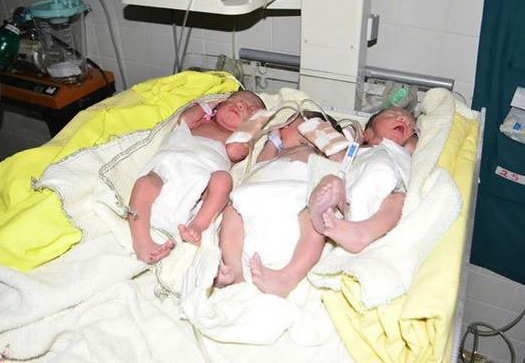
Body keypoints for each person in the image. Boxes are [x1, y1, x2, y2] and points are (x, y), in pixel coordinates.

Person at [249, 106, 417, 296]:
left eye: (410, 123)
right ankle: (320, 216)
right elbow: (335, 157)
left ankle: (362, 232)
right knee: (330, 182)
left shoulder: (403, 149)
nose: (403, 119)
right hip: (349, 198)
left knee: (399, 200)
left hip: (386, 195)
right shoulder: (354, 150)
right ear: (367, 133)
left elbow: (417, 142)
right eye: (393, 115)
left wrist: (414, 133)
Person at [128, 90, 266, 264]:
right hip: (168, 167)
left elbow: (234, 151)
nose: (240, 105)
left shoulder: (235, 141)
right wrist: (212, 103)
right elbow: (184, 118)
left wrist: (251, 126)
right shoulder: (200, 122)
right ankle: (141, 241)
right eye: (235, 100)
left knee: (223, 180)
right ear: (218, 106)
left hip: (202, 180)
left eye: (249, 109)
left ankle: (198, 225)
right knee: (144, 183)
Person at [214, 111, 339, 290]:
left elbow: (340, 161)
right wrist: (272, 142)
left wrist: (325, 140)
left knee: (314, 219)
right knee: (233, 211)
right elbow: (260, 165)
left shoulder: (318, 154)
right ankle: (234, 268)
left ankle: (288, 276)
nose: (282, 127)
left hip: (296, 195)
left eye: (288, 125)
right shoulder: (279, 153)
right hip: (257, 195)